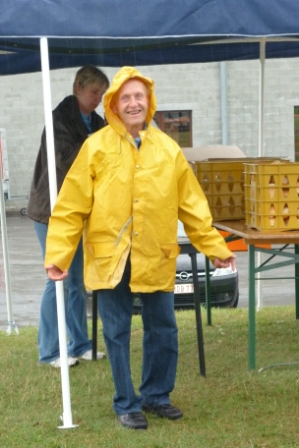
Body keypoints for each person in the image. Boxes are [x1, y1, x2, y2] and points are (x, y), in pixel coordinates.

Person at [44, 66, 236, 428]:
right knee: (116, 331)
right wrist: (58, 255)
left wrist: (215, 247)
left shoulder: (167, 150)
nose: (133, 103)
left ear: (149, 103)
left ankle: (156, 396)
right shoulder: (95, 147)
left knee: (163, 326)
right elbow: (71, 207)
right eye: (125, 97)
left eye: (139, 97)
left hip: (155, 253)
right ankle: (126, 403)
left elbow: (192, 205)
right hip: (111, 257)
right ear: (114, 103)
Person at [27, 65, 109, 368]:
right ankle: (49, 351)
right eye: (93, 92)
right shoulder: (59, 120)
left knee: (75, 281)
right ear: (78, 89)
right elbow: (66, 159)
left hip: (76, 212)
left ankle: (80, 344)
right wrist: (100, 142)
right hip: (50, 212)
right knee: (57, 279)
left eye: (102, 93)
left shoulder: (97, 122)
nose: (98, 98)